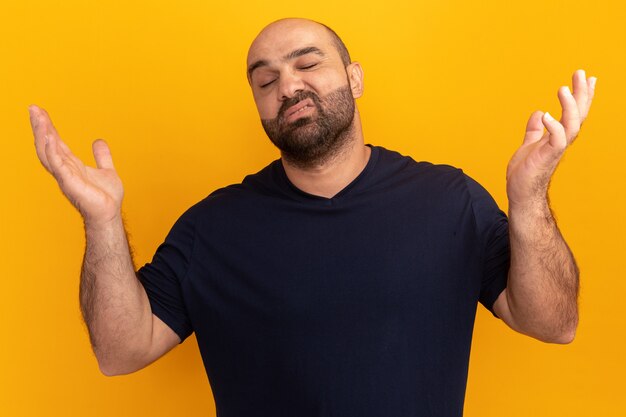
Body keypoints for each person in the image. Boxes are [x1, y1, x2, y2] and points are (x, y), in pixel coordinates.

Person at [29, 17, 596, 417]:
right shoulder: (212, 227)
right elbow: (120, 352)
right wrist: (102, 221)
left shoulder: (450, 200)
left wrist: (530, 198)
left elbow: (553, 323)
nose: (288, 85)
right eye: (265, 80)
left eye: (307, 63)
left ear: (354, 78)